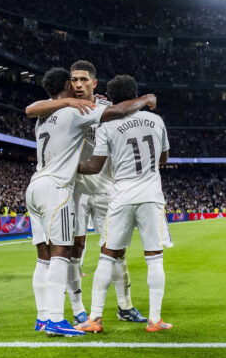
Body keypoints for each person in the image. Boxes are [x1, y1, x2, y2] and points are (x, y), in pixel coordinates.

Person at [24, 67, 157, 337]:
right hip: (69, 188)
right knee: (70, 250)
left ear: (94, 83)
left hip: (99, 188)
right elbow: (33, 107)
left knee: (113, 250)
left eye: (83, 79)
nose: (78, 84)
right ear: (68, 85)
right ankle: (74, 311)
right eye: (73, 80)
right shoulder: (67, 108)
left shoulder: (99, 107)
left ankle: (124, 305)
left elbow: (122, 116)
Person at [75, 75, 173, 333]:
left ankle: (95, 319)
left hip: (120, 196)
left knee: (108, 256)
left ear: (113, 98)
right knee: (154, 257)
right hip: (151, 195)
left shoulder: (107, 125)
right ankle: (155, 320)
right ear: (135, 94)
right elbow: (163, 159)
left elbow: (95, 167)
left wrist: (71, 166)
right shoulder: (156, 120)